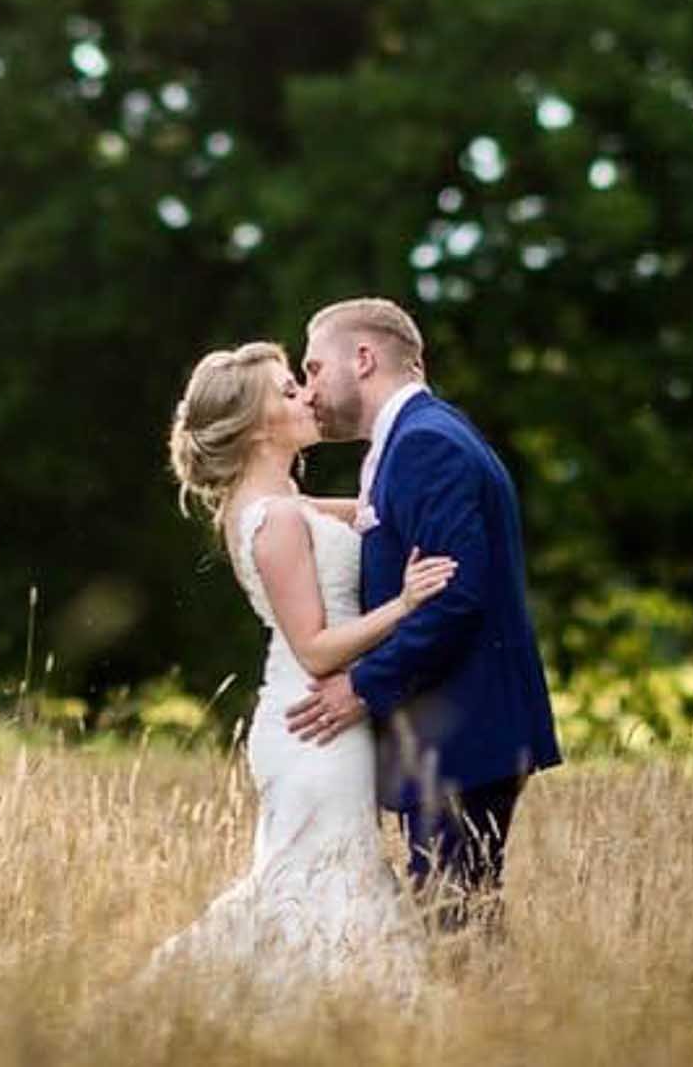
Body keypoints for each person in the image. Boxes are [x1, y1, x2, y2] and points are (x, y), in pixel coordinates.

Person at [148, 340, 451, 995]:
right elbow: (314, 648)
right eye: (287, 391)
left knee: (323, 876)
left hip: (308, 719)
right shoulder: (275, 517)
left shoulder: (277, 501)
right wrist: (405, 602)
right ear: (259, 426)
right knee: (324, 880)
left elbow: (358, 515)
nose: (306, 395)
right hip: (313, 723)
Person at [286, 297, 560, 934]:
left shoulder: (425, 444)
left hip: (463, 733)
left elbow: (454, 597)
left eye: (315, 367)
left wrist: (361, 686)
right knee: (459, 922)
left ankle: (489, 1034)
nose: (309, 388)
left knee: (455, 928)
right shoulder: (415, 437)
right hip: (453, 731)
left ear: (363, 358)